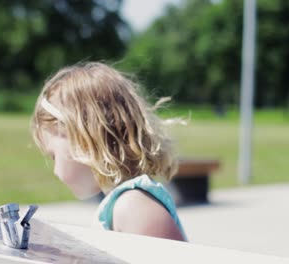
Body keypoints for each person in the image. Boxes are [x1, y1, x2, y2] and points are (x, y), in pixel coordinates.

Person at [31, 62, 187, 241]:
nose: (55, 171)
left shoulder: (133, 207)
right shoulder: (121, 205)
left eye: (53, 156)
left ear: (83, 138)